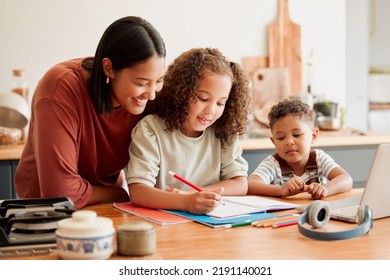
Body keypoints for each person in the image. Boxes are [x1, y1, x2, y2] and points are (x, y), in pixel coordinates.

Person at [15, 16, 166, 209]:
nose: (152, 94)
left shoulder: (146, 96)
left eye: (159, 80)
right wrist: (119, 193)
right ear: (109, 68)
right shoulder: (60, 87)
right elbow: (60, 193)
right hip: (44, 212)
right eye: (141, 83)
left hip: (107, 205)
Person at [127, 48, 251, 214]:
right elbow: (139, 192)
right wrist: (185, 202)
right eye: (203, 99)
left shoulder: (223, 132)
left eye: (220, 103)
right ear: (182, 91)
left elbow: (240, 184)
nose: (211, 110)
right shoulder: (150, 130)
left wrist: (192, 194)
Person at [248, 98, 353, 199]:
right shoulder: (272, 164)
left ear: (313, 136)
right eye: (280, 138)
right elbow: (251, 185)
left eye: (297, 134)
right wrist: (281, 190)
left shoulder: (319, 158)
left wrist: (326, 189)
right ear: (274, 142)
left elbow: (346, 179)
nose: (289, 142)